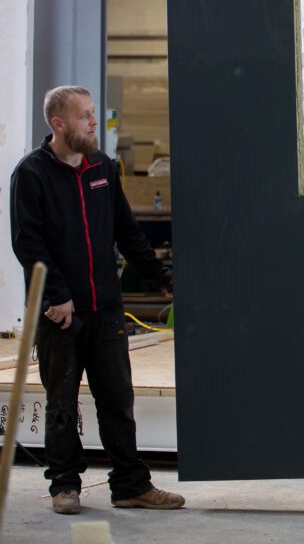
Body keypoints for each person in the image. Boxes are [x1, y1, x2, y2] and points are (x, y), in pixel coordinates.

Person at [9, 86, 185, 515]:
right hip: (61, 315)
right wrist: (58, 297)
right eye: (85, 115)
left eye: (91, 113)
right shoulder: (31, 174)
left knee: (117, 401)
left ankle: (130, 485)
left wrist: (162, 278)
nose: (93, 121)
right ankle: (64, 486)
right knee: (62, 405)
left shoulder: (102, 167)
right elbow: (27, 243)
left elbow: (126, 230)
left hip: (105, 310)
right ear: (58, 123)